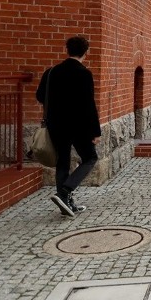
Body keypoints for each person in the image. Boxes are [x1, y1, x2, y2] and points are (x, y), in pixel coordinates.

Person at [36, 36, 101, 217]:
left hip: (56, 125)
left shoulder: (51, 72)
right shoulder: (84, 73)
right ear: (85, 53)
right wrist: (95, 131)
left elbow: (40, 96)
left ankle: (66, 204)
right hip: (79, 126)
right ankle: (65, 192)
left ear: (67, 50)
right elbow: (89, 104)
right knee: (89, 158)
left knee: (62, 162)